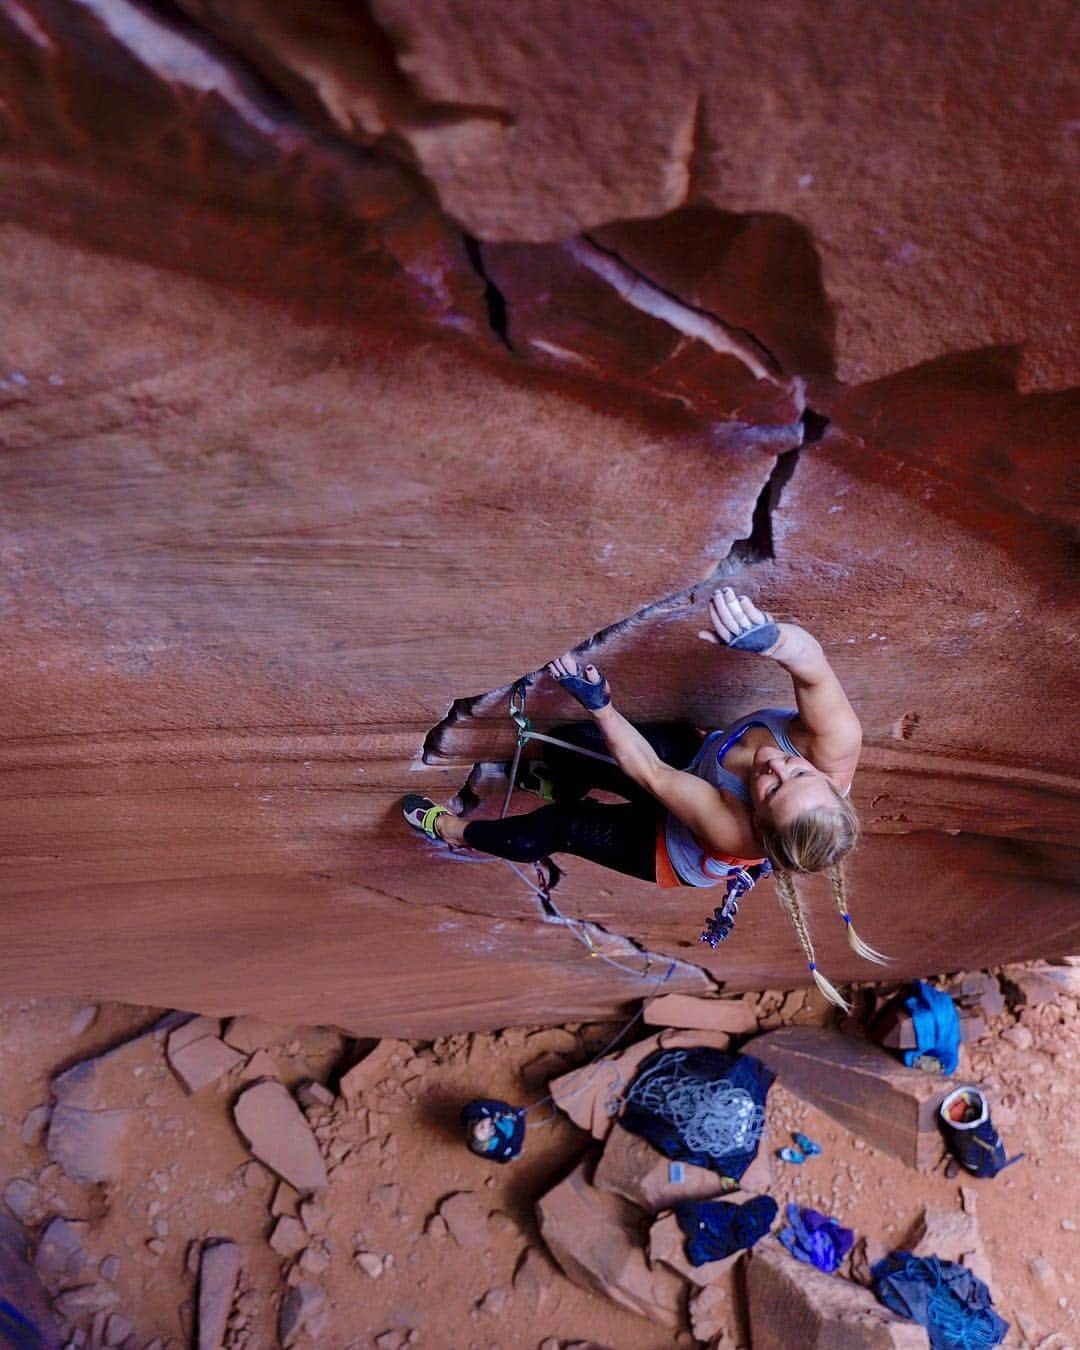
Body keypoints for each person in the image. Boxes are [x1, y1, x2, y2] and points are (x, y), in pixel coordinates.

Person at [403, 587, 885, 1006]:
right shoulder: (835, 742)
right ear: (827, 781)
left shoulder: (733, 830)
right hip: (701, 761)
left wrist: (602, 705)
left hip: (672, 848)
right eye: (798, 772)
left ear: (757, 819)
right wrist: (772, 639)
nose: (776, 765)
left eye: (772, 788)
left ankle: (455, 831)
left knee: (563, 826)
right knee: (585, 746)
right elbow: (813, 668)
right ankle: (560, 780)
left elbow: (652, 774)